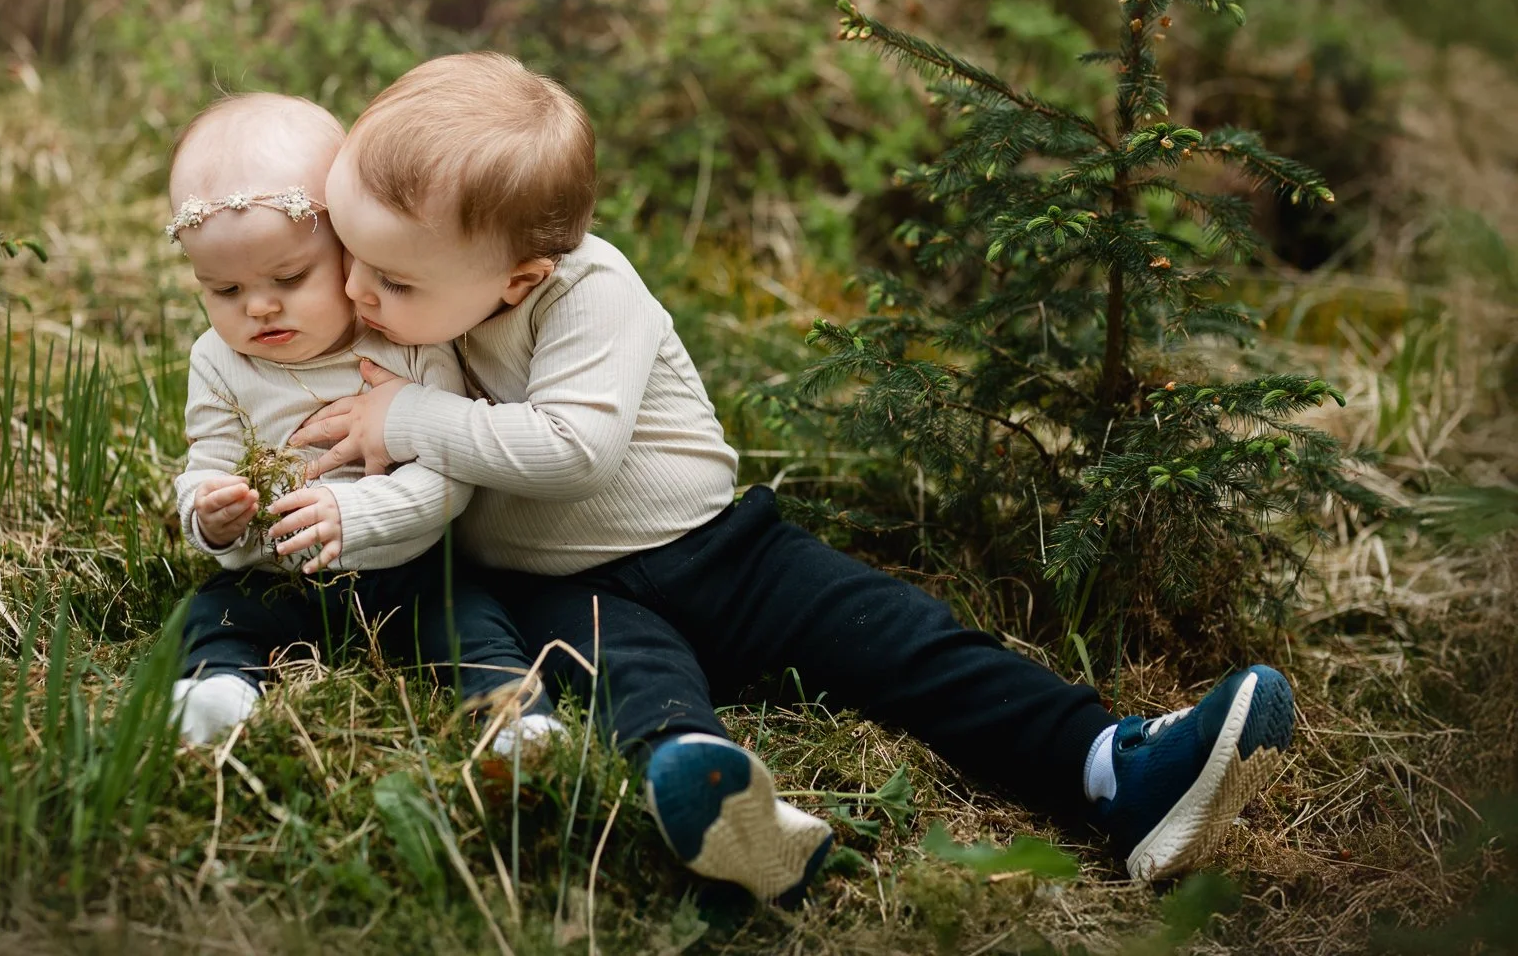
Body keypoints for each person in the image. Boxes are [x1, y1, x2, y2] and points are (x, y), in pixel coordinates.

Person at [290, 52, 1298, 902]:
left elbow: (574, 449)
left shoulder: (593, 294)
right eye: (349, 256)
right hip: (568, 587)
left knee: (898, 638)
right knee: (634, 686)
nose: (355, 291)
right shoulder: (400, 314)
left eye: (392, 279)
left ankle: (1115, 770)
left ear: (518, 278)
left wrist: (410, 417)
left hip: (725, 551)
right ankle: (726, 809)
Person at [162, 91, 558, 756]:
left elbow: (448, 476)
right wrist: (209, 514)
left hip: (408, 566)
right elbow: (209, 456)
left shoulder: (403, 339)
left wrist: (357, 516)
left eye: (289, 276)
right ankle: (219, 693)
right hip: (276, 570)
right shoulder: (219, 360)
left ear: (350, 245)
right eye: (223, 291)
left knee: (474, 621)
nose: (258, 307)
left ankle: (514, 720)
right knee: (211, 613)